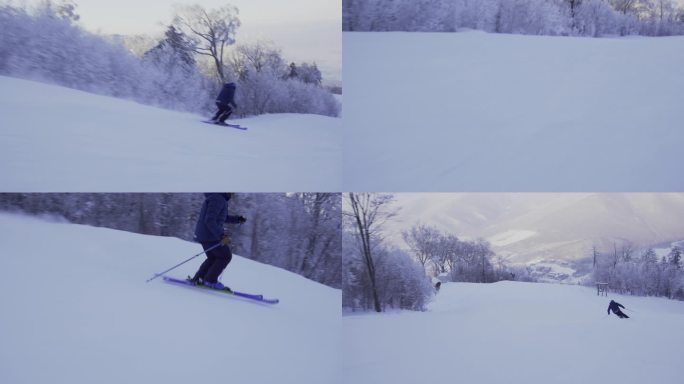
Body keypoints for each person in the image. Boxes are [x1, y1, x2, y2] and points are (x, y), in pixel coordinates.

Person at [190, 193, 246, 290]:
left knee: (213, 258)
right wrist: (221, 235)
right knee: (225, 256)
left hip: (205, 234)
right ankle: (210, 281)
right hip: (210, 235)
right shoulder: (218, 198)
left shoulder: (218, 198)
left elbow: (221, 216)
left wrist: (237, 219)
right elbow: (210, 220)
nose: (233, 193)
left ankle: (199, 278)